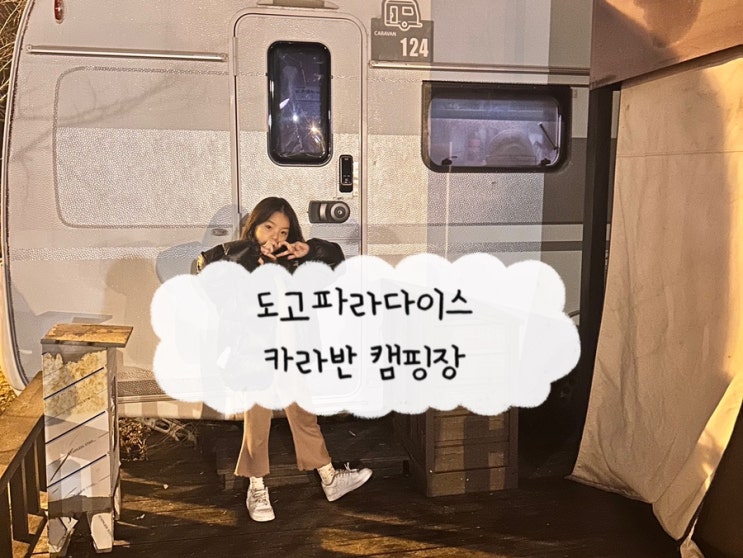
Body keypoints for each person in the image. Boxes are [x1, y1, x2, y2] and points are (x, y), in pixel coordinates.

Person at [197, 197, 372, 522]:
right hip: (257, 357)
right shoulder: (242, 264)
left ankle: (329, 478)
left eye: (283, 231)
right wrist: (251, 250)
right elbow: (204, 265)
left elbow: (336, 262)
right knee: (257, 421)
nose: (276, 237)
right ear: (254, 228)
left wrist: (310, 249)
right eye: (268, 227)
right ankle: (257, 487)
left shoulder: (296, 263)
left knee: (304, 417)